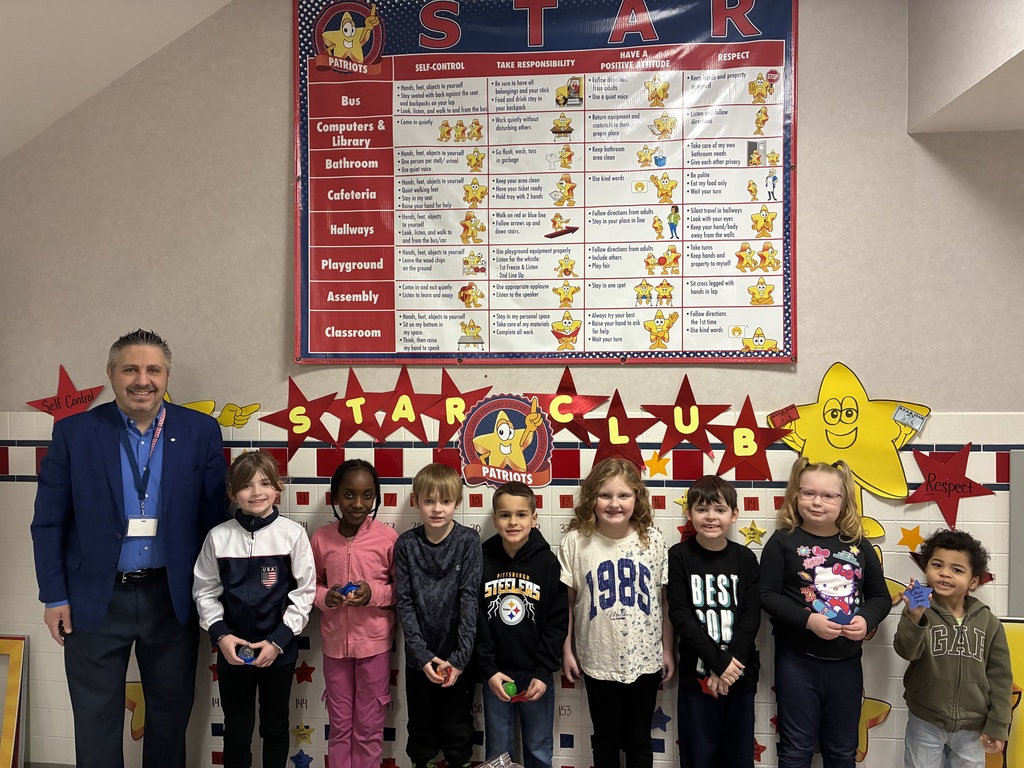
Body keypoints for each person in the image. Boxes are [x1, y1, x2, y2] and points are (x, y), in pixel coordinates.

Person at [31, 328, 226, 767]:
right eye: (131, 369)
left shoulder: (200, 431)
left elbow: (214, 522)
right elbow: (48, 523)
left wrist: (215, 596)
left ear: (166, 375)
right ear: (111, 374)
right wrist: (54, 596)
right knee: (95, 721)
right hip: (93, 599)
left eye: (153, 369)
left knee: (169, 717)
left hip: (172, 598)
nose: (143, 380)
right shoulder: (75, 432)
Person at [760, 458, 891, 768]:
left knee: (842, 751)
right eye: (807, 493)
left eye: (828, 495)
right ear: (795, 495)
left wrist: (867, 620)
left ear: (844, 500)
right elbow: (766, 595)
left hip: (846, 666)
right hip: (797, 664)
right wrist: (809, 621)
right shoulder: (782, 542)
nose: (817, 502)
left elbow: (880, 597)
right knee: (795, 751)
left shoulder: (859, 545)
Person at [192, 450, 315, 768]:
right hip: (233, 652)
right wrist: (222, 636)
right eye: (246, 485)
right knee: (236, 729)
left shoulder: (293, 535)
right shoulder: (218, 537)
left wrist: (277, 641)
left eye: (264, 483)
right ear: (233, 493)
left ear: (278, 489)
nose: (256, 492)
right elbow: (204, 591)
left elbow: (304, 594)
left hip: (279, 652)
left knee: (275, 726)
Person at [559, 457, 675, 768]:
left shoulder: (652, 540)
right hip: (597, 657)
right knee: (606, 739)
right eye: (604, 495)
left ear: (637, 498)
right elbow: (567, 603)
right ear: (591, 498)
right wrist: (567, 649)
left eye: (623, 495)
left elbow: (663, 601)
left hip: (645, 660)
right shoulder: (575, 542)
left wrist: (667, 648)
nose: (614, 504)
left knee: (639, 740)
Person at [894, 528, 1012, 767]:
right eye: (937, 565)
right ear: (926, 568)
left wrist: (998, 725)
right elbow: (906, 650)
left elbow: (1000, 678)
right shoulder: (919, 610)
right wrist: (915, 617)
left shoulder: (989, 623)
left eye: (957, 570)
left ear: (974, 581)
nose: (945, 574)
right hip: (925, 721)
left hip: (972, 727)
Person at [667, 474, 760, 768]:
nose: (710, 517)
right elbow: (680, 615)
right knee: (699, 757)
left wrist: (729, 666)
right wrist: (717, 663)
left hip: (739, 678)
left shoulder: (746, 559)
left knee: (738, 756)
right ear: (689, 513)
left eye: (719, 510)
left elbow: (751, 616)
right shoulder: (678, 556)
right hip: (696, 679)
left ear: (734, 514)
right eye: (702, 509)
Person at [311, 459, 399, 768]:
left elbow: (401, 590)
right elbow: (312, 586)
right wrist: (326, 598)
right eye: (349, 495)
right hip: (335, 647)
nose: (358, 504)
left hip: (374, 646)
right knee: (340, 726)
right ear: (335, 497)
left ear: (376, 497)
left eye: (367, 495)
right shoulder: (321, 538)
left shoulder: (387, 539)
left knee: (368, 727)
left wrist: (373, 594)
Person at [475, 481, 568, 768]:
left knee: (538, 748)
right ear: (494, 519)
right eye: (505, 515)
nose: (513, 522)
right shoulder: (481, 559)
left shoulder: (548, 563)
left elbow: (557, 622)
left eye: (521, 514)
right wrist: (489, 669)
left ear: (534, 518)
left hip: (535, 674)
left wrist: (543, 670)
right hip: (496, 674)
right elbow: (476, 617)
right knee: (498, 751)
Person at [395, 463, 482, 768]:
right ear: (415, 501)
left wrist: (459, 659)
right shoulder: (406, 544)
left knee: (458, 731)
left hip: (459, 658)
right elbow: (404, 603)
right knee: (421, 733)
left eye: (445, 501)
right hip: (420, 659)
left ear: (457, 502)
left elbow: (470, 600)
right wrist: (422, 656)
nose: (437, 509)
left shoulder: (468, 542)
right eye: (429, 501)